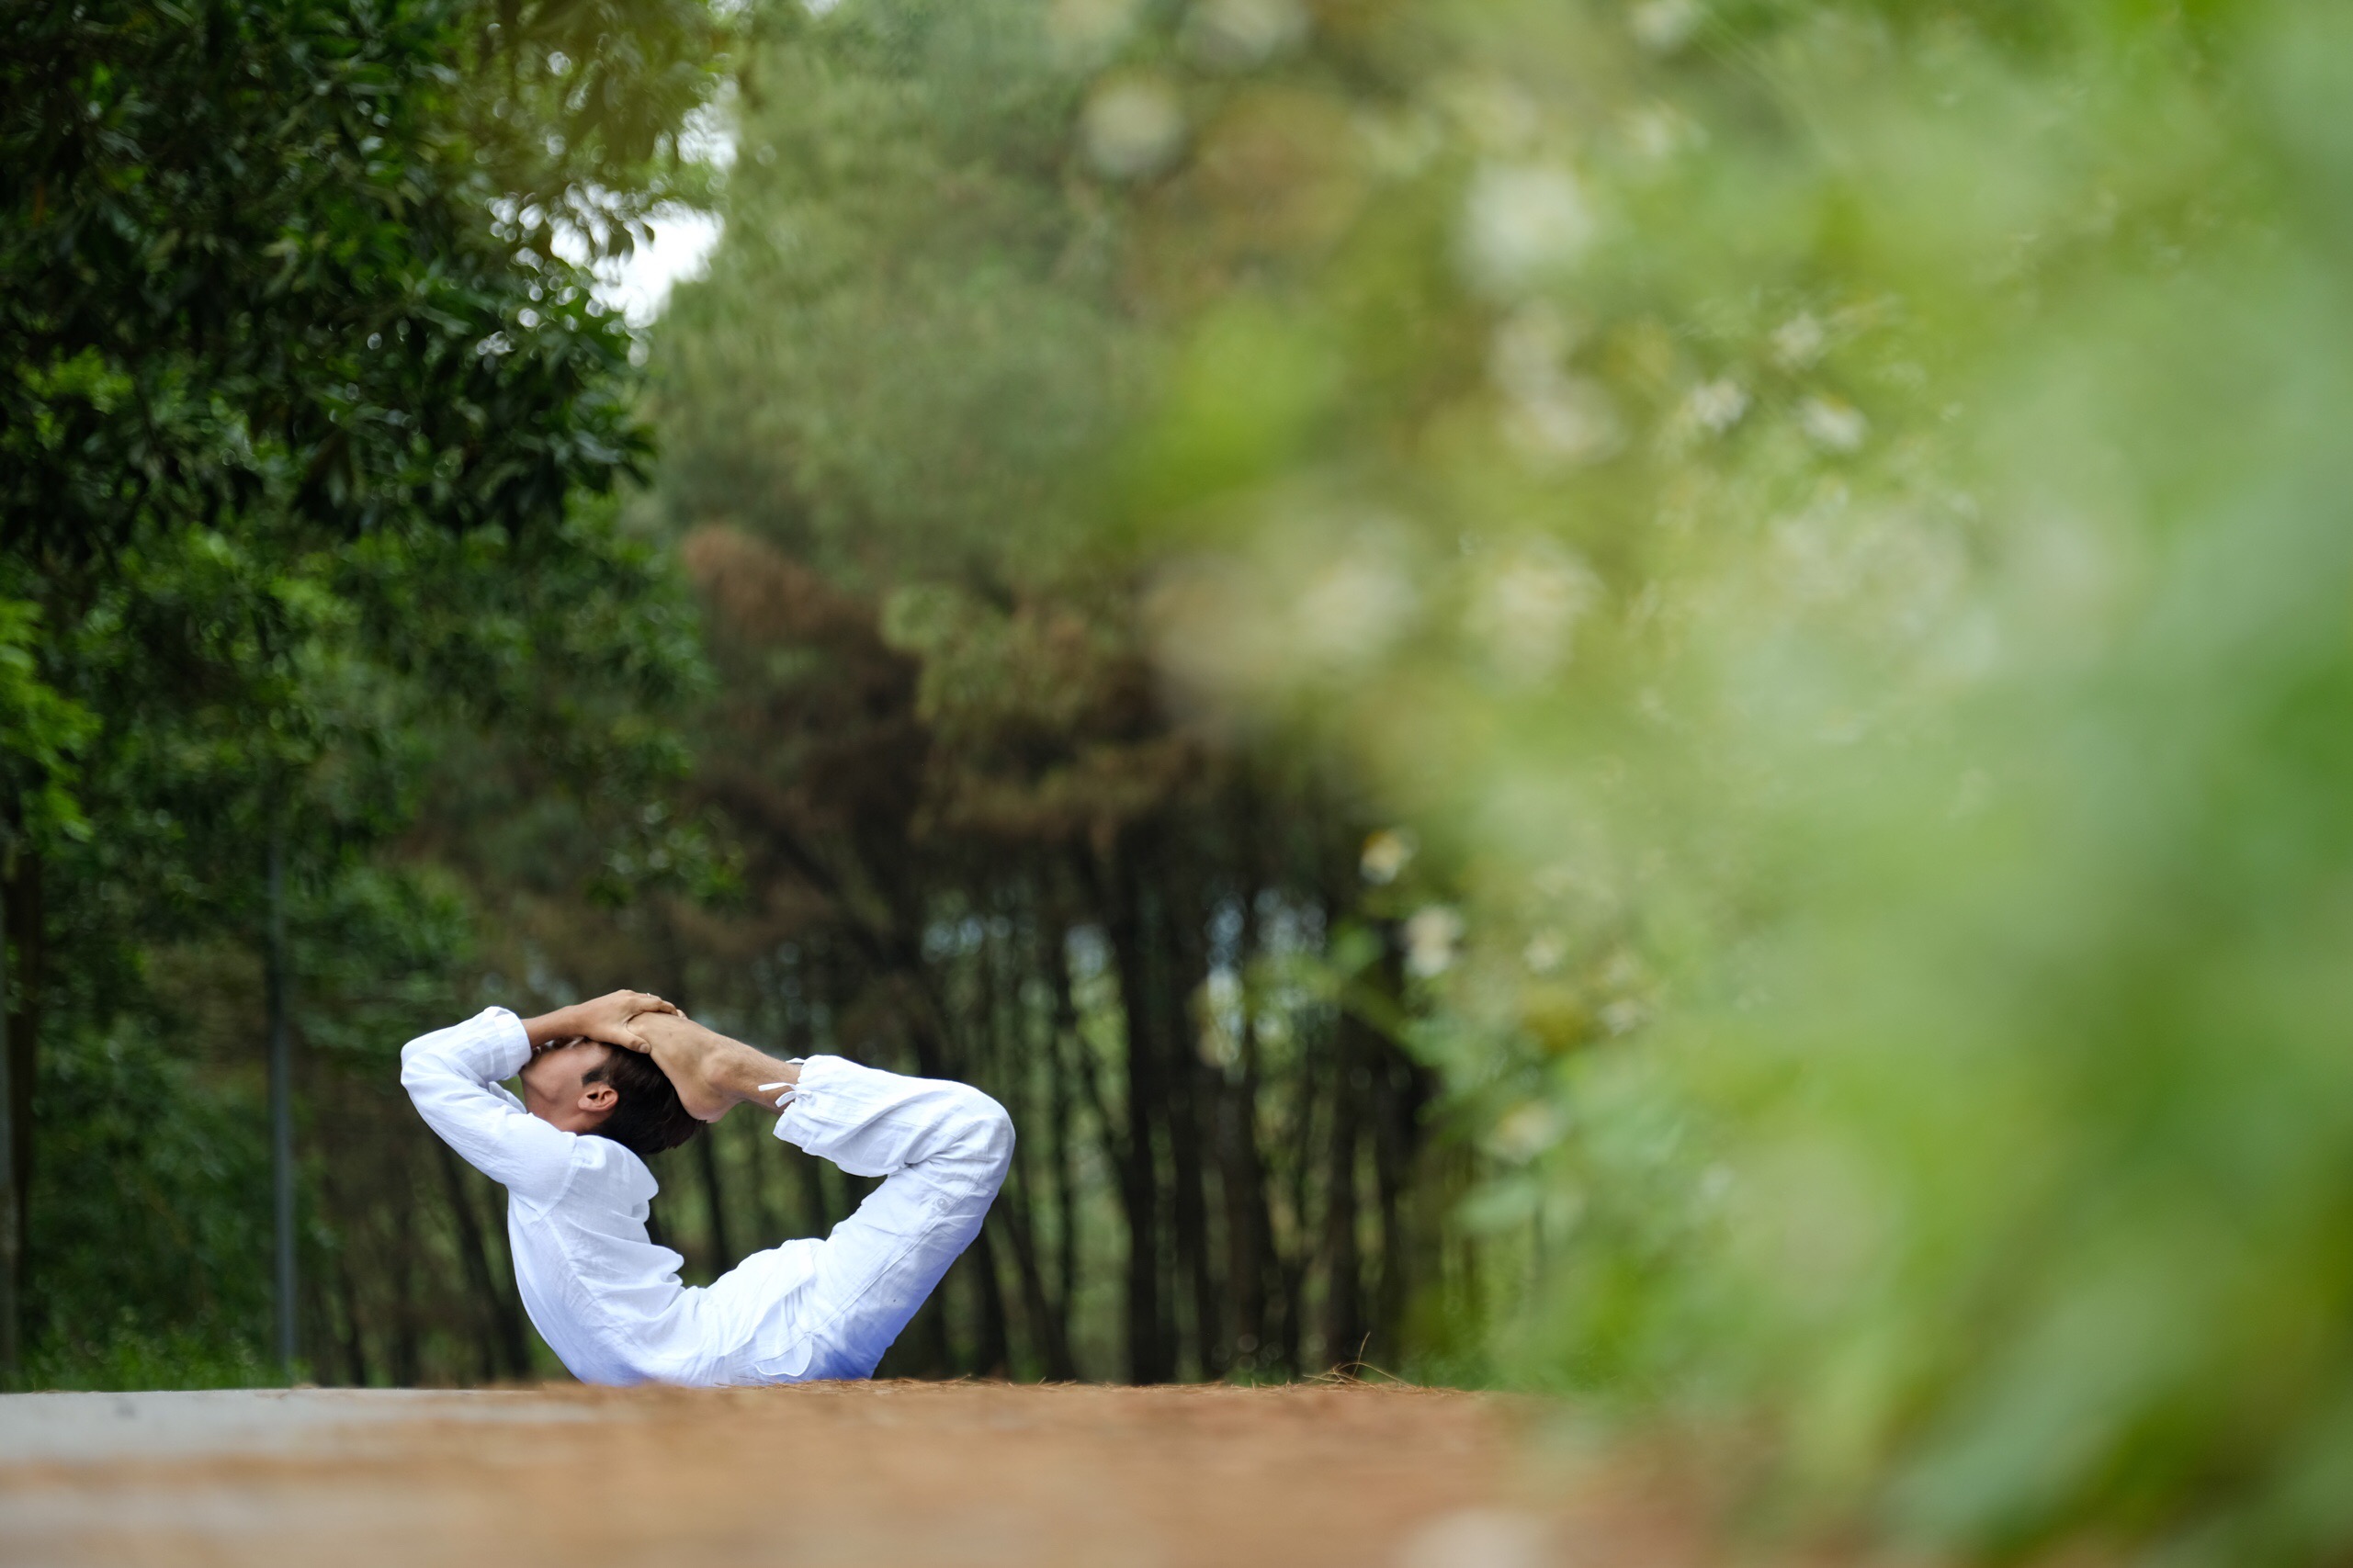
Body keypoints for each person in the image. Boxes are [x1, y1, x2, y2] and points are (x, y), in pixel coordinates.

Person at [399, 989, 1012, 1386]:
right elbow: (445, 1069)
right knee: (971, 1135)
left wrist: (577, 1015)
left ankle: (730, 1067)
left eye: (578, 1040)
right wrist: (583, 1020)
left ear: (598, 1095)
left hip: (753, 1346)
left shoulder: (558, 1165)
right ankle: (725, 1066)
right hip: (748, 1350)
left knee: (973, 1134)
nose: (557, 1037)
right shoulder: (559, 1162)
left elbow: (431, 1064)